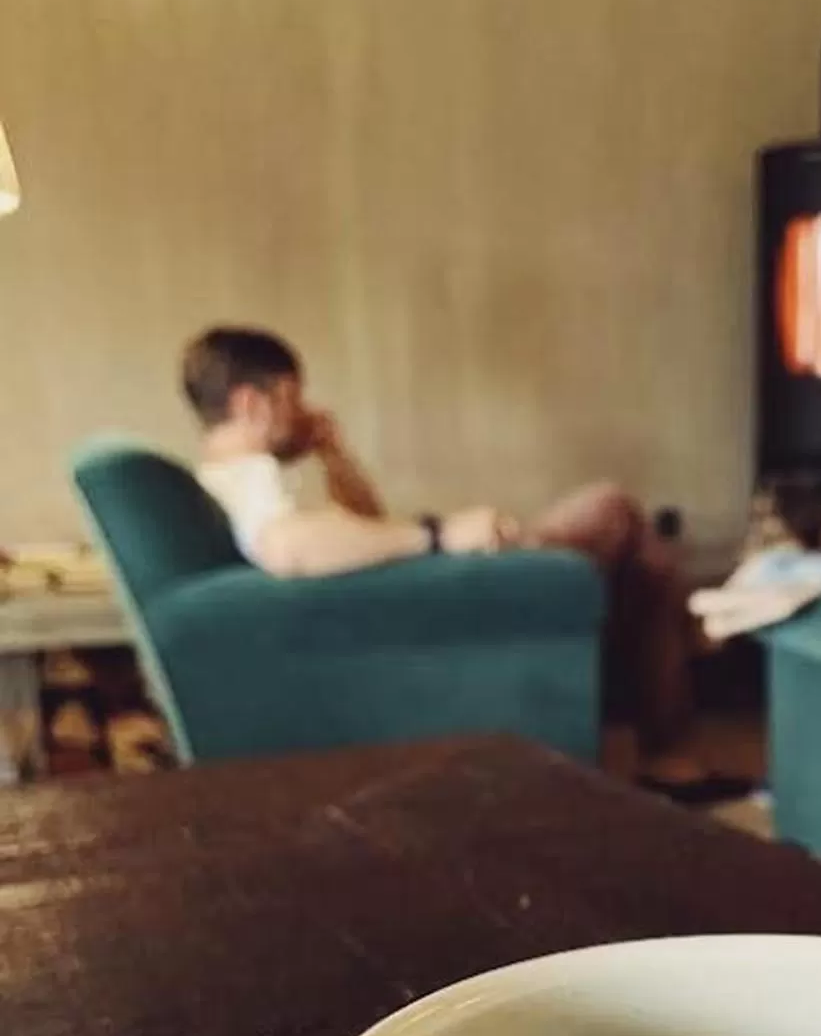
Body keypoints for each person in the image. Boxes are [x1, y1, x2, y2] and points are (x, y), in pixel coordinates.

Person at [182, 326, 746, 803]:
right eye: (291, 398)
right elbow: (289, 549)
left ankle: (676, 693)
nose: (302, 412)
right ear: (251, 403)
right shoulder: (250, 480)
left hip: (414, 587)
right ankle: (683, 687)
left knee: (638, 563)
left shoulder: (245, 478)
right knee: (613, 509)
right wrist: (441, 535)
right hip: (434, 591)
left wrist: (333, 453)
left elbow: (368, 521)